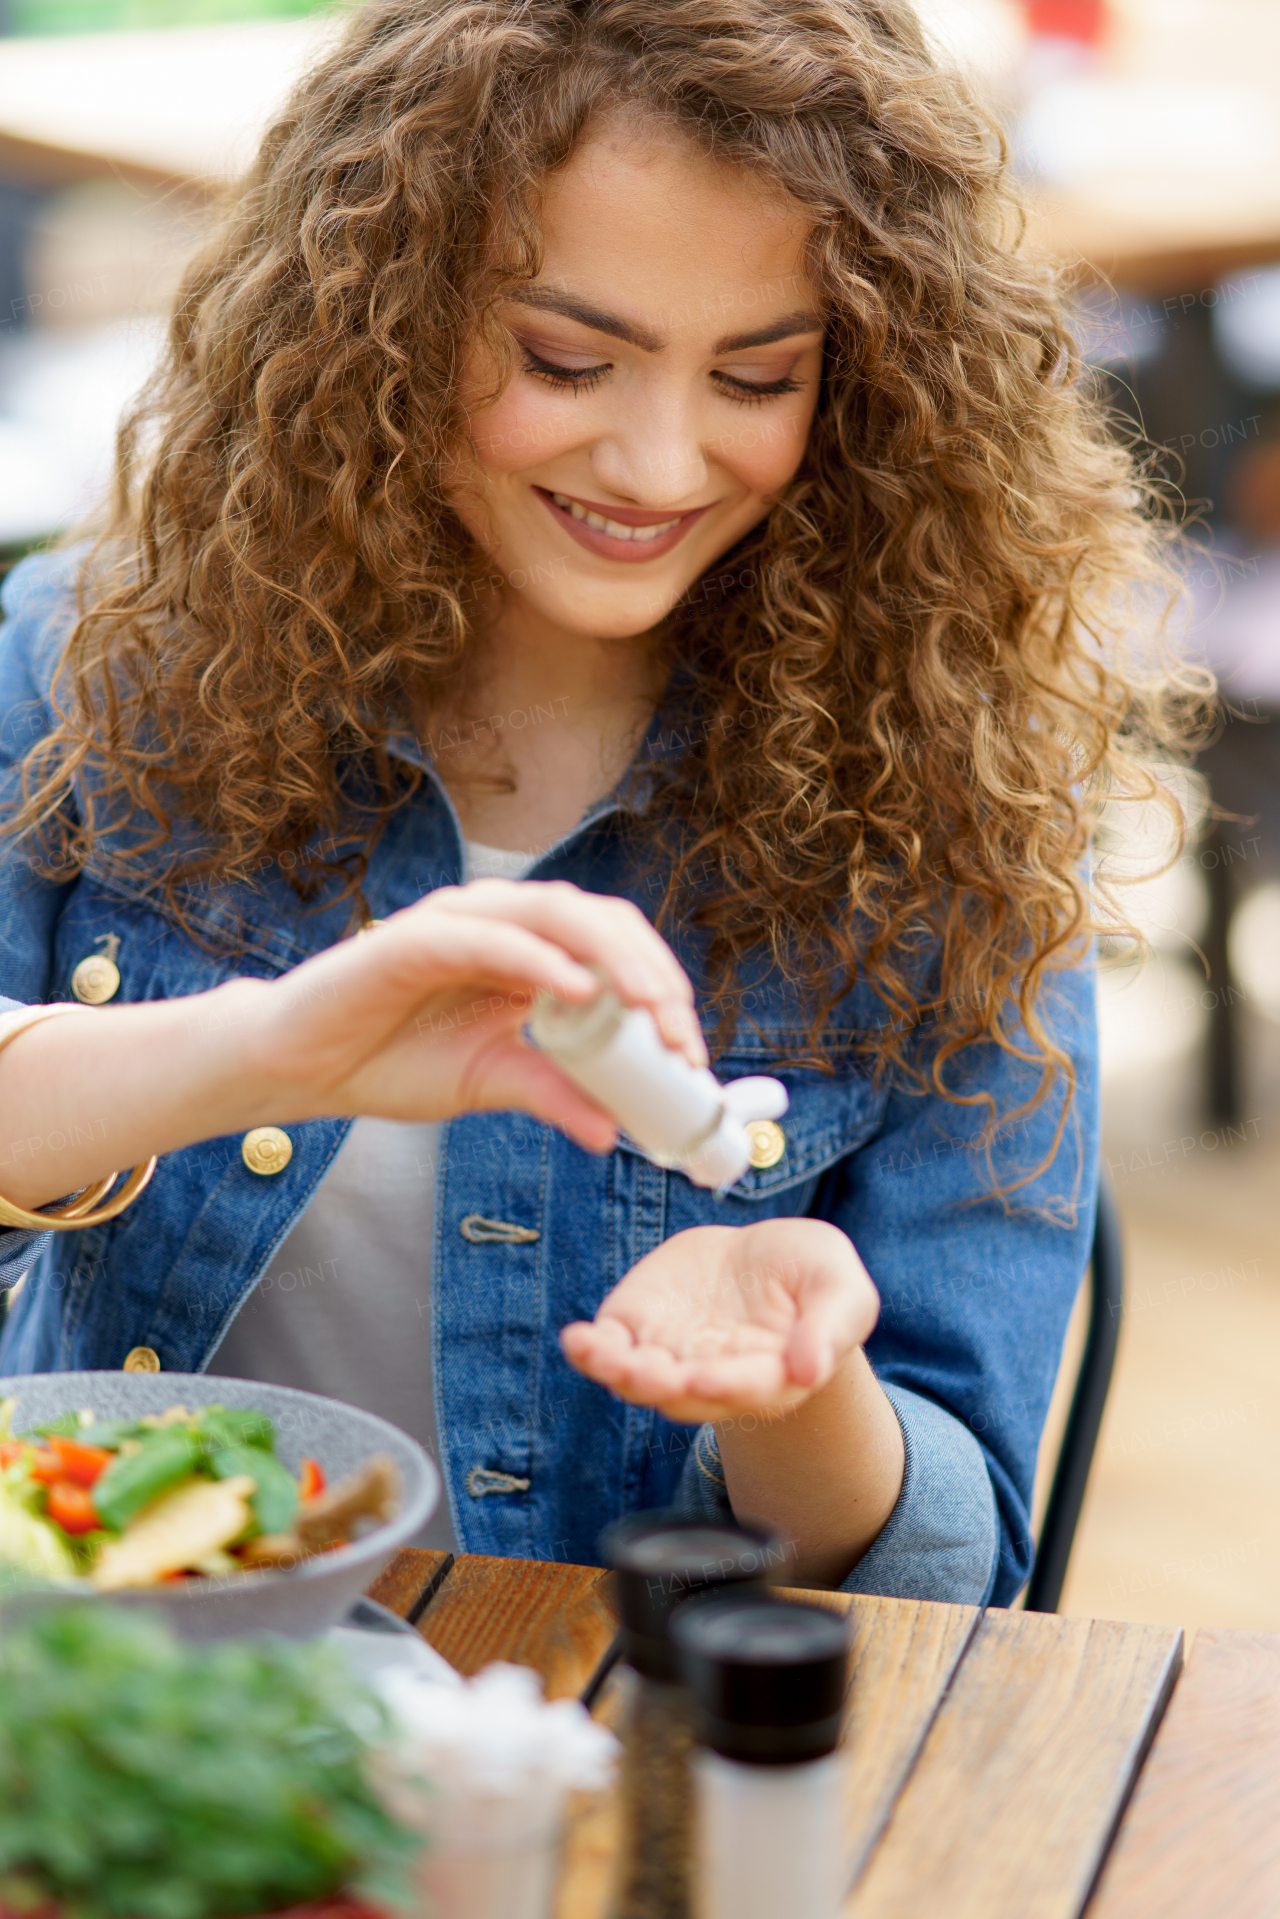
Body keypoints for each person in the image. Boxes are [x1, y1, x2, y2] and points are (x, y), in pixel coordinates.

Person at [0, 0, 1187, 1603]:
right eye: (568, 359)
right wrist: (270, 1045)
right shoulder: (98, 662)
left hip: (601, 1740)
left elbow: (947, 1578)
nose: (656, 460)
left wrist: (798, 1386)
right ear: (386, 318)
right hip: (128, 1678)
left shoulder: (952, 809)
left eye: (758, 378)